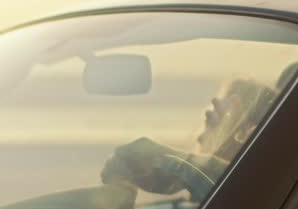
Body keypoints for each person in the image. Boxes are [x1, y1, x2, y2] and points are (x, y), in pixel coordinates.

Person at [102, 77, 278, 199]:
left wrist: (177, 163)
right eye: (207, 119)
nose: (200, 136)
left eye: (214, 121)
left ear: (247, 134)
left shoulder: (255, 206)